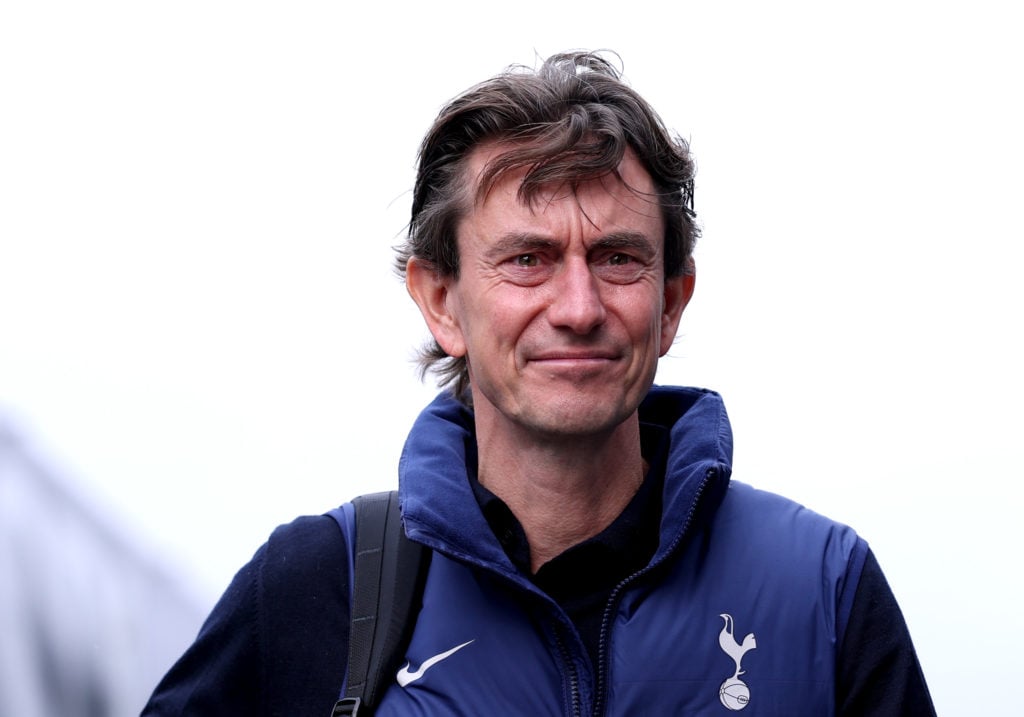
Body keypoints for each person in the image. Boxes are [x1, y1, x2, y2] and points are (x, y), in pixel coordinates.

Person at [143, 51, 935, 715]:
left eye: (618, 258)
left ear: (670, 302)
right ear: (441, 300)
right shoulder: (320, 589)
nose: (579, 308)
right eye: (528, 259)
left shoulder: (821, 591)